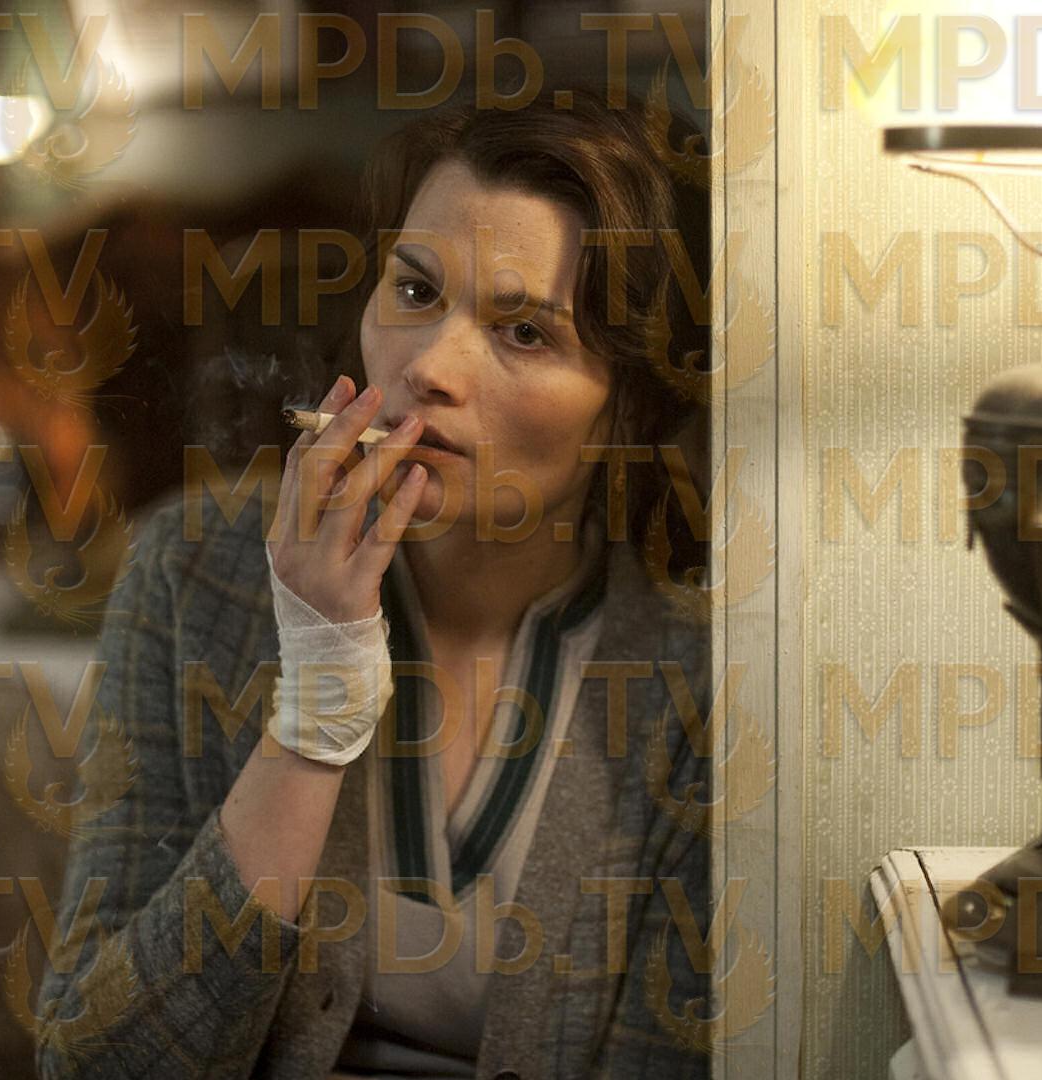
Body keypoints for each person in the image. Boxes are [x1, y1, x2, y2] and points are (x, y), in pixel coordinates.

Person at [38, 91, 716, 1080]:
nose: (429, 366)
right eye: (414, 291)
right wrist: (315, 709)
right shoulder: (195, 571)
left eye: (525, 333)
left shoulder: (695, 676)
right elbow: (94, 1064)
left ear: (633, 408)